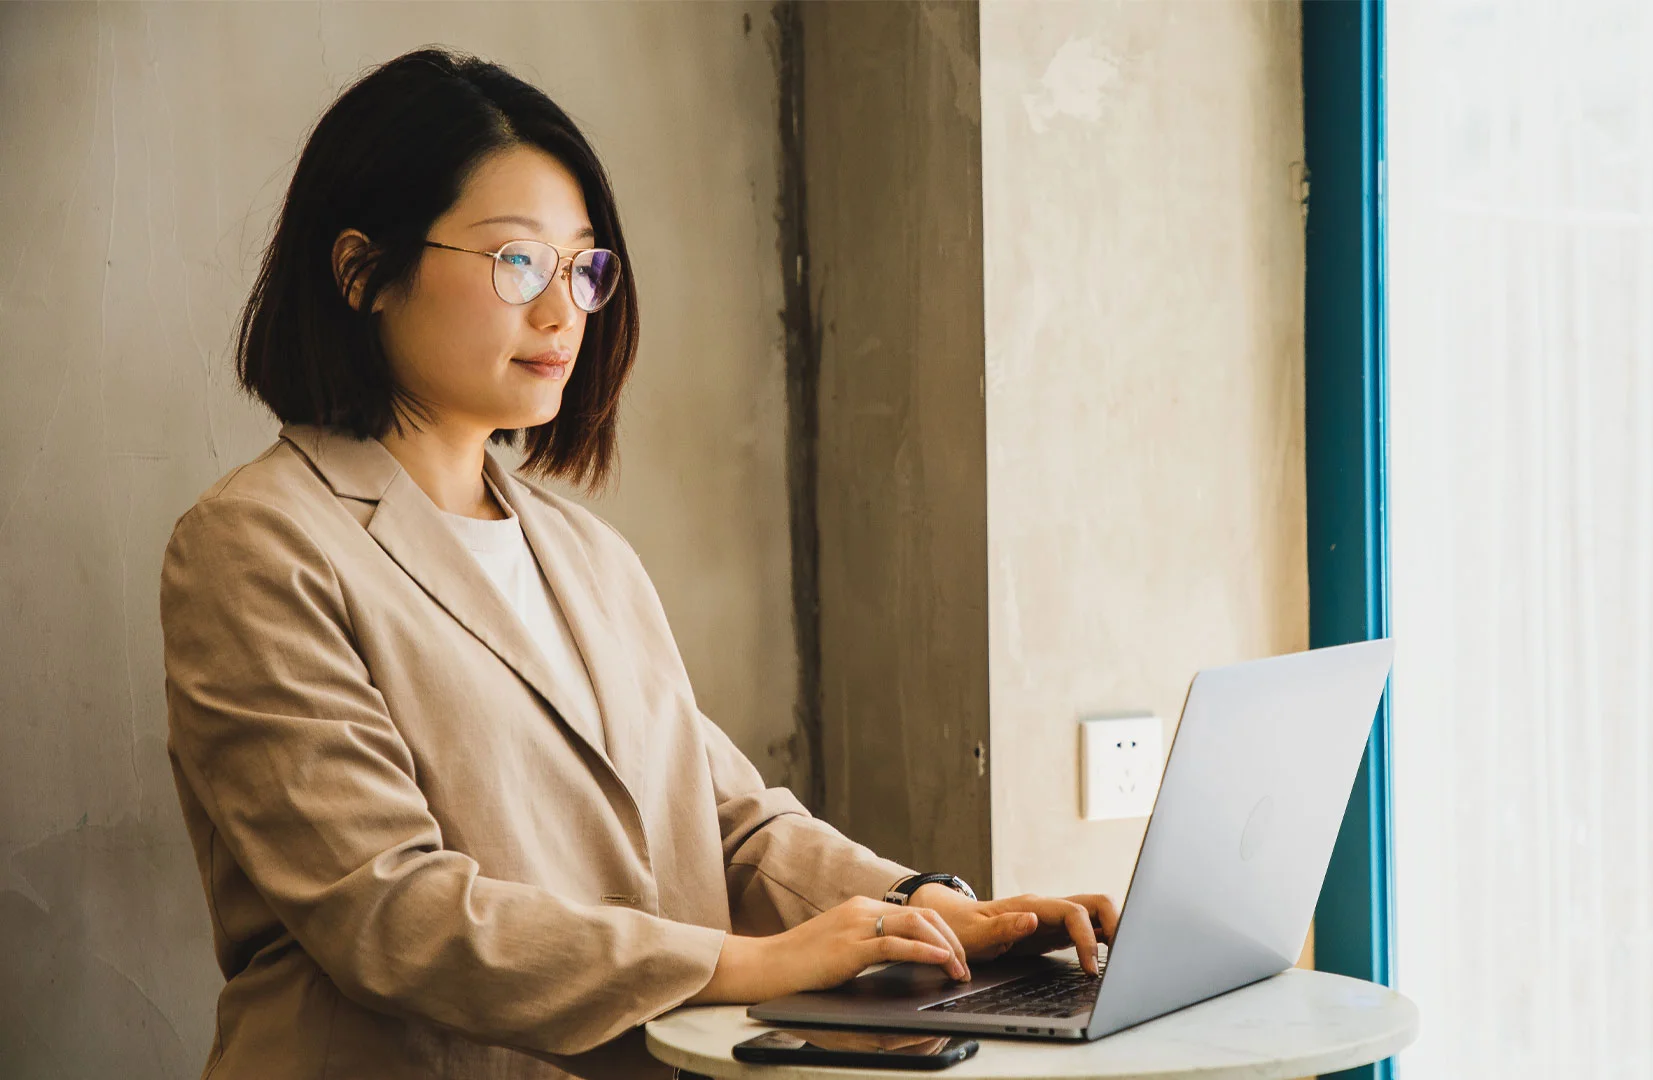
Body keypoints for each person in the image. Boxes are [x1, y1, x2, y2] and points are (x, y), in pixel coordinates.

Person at [160, 47, 1116, 1080]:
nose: (563, 309)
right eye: (516, 260)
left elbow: (728, 822)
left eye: (584, 267)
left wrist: (923, 909)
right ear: (362, 273)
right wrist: (754, 963)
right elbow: (390, 908)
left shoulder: (583, 552)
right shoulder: (257, 544)